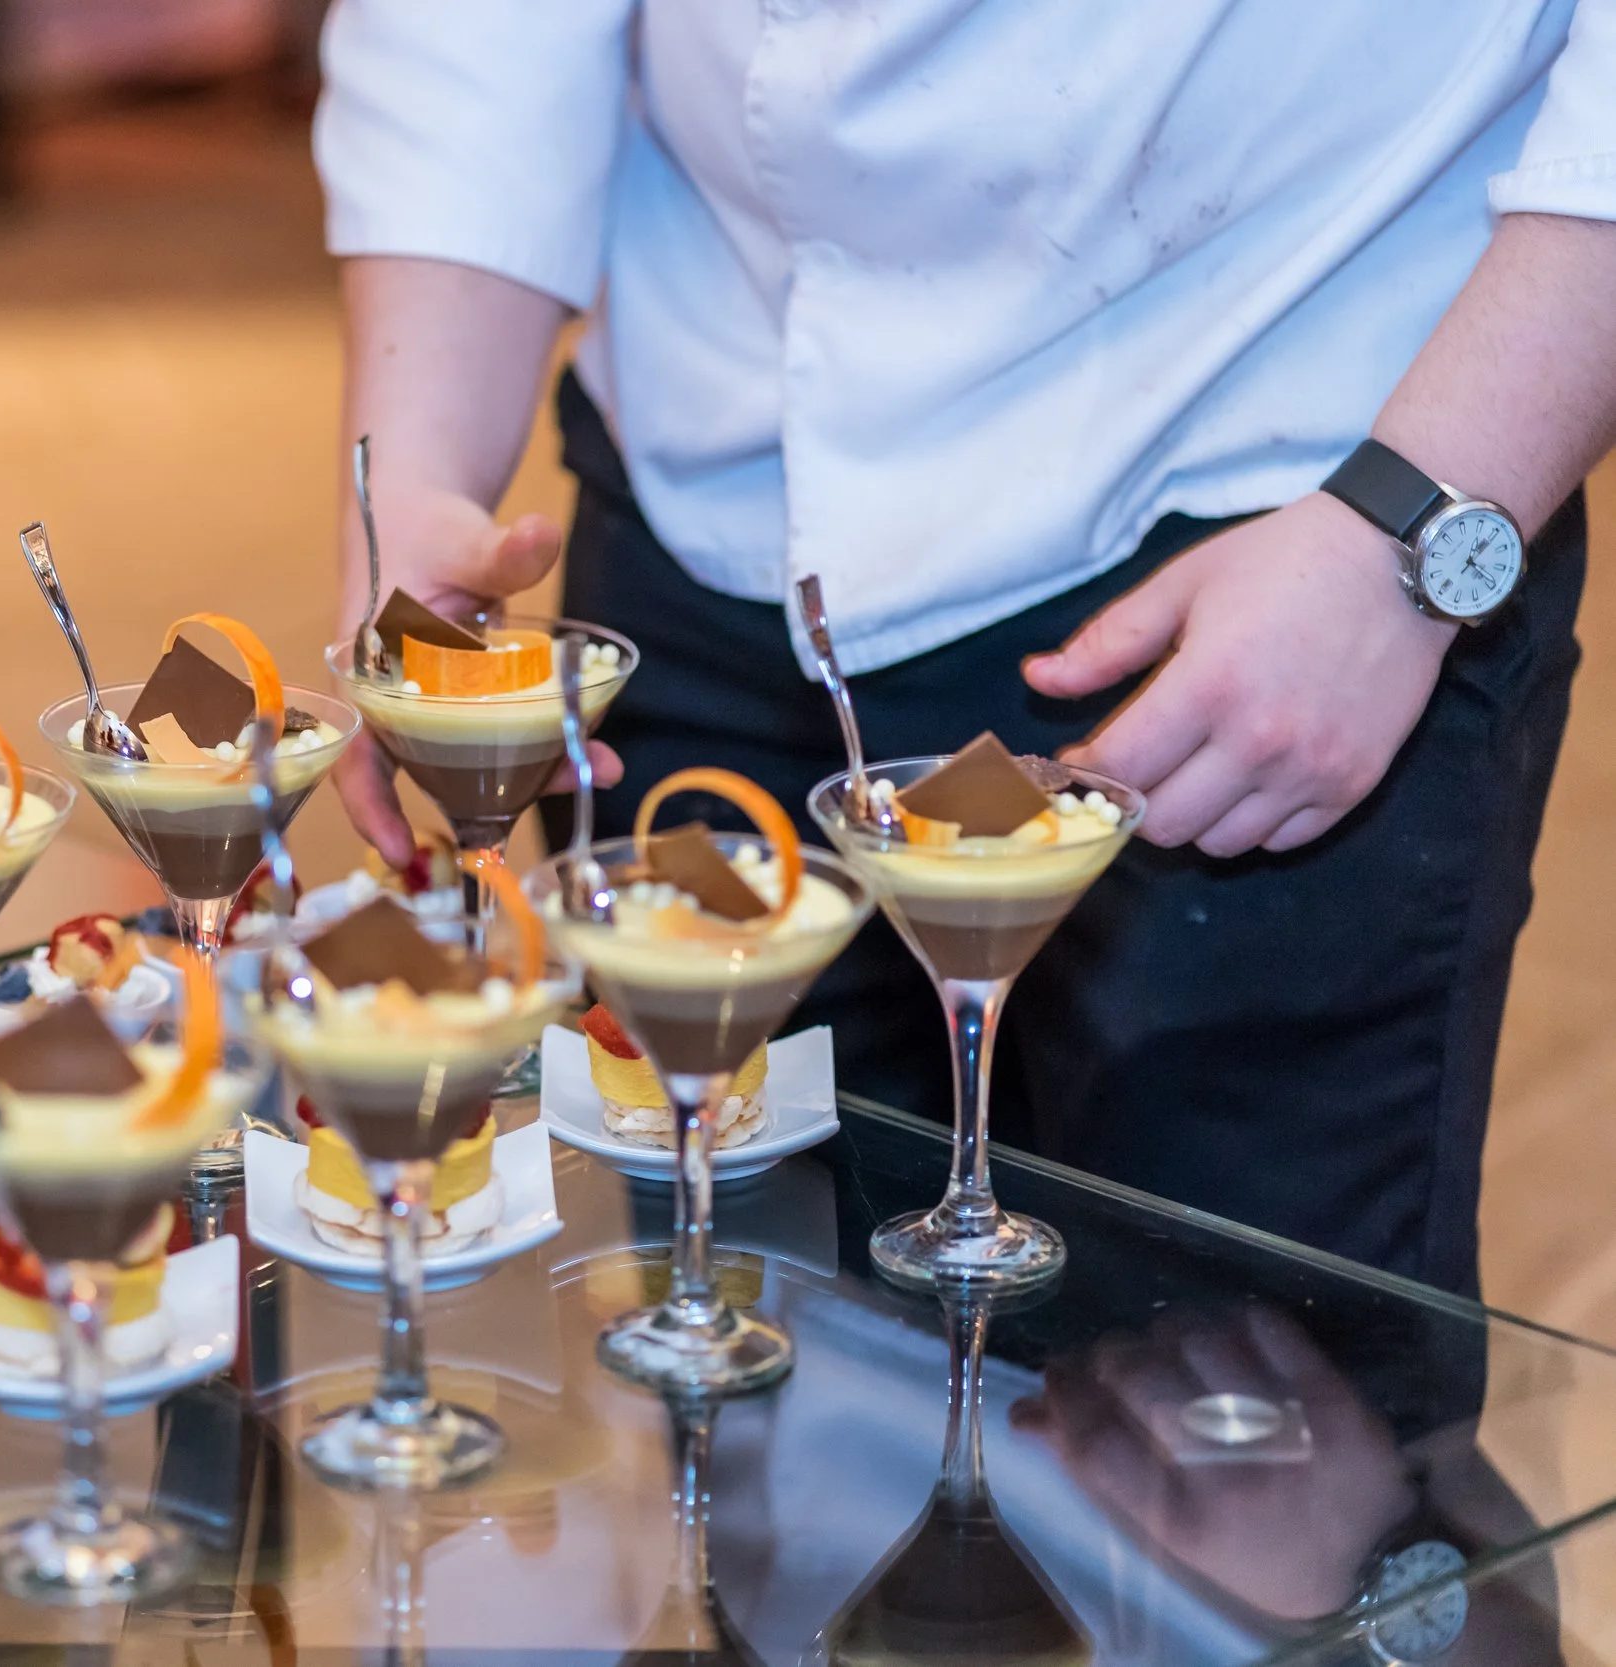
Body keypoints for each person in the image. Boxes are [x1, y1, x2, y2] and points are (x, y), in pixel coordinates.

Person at [312, 2, 1616, 1295]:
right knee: (757, 1350)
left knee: (1229, 1409)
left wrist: (1414, 521)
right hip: (708, 473)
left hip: (1283, 505)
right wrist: (415, 472)